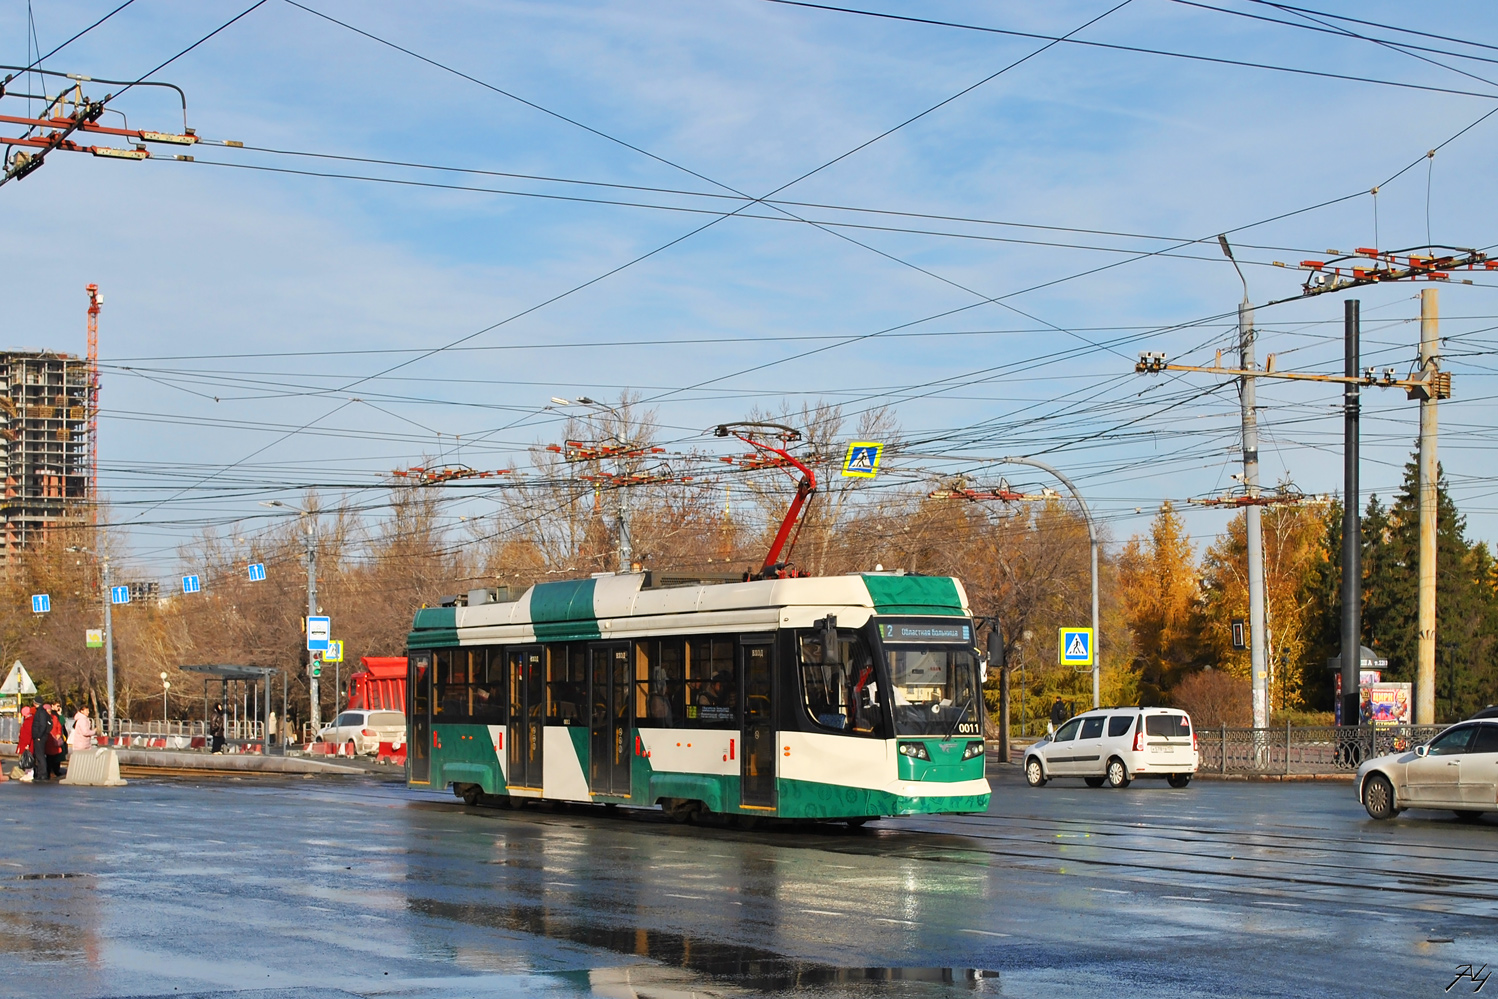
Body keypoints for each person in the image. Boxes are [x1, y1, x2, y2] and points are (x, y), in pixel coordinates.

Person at [30, 701, 53, 781]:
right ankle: (40, 774)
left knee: (40, 756)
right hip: (40, 736)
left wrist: (39, 735)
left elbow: (42, 725)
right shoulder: (41, 712)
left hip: (40, 737)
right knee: (39, 755)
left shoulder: (41, 712)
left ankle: (43, 774)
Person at [44, 702, 65, 779]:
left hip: (54, 740)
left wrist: (59, 733)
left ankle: (54, 770)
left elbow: (59, 726)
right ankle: (49, 771)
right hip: (47, 740)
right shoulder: (43, 718)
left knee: (55, 756)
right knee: (49, 757)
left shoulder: (54, 717)